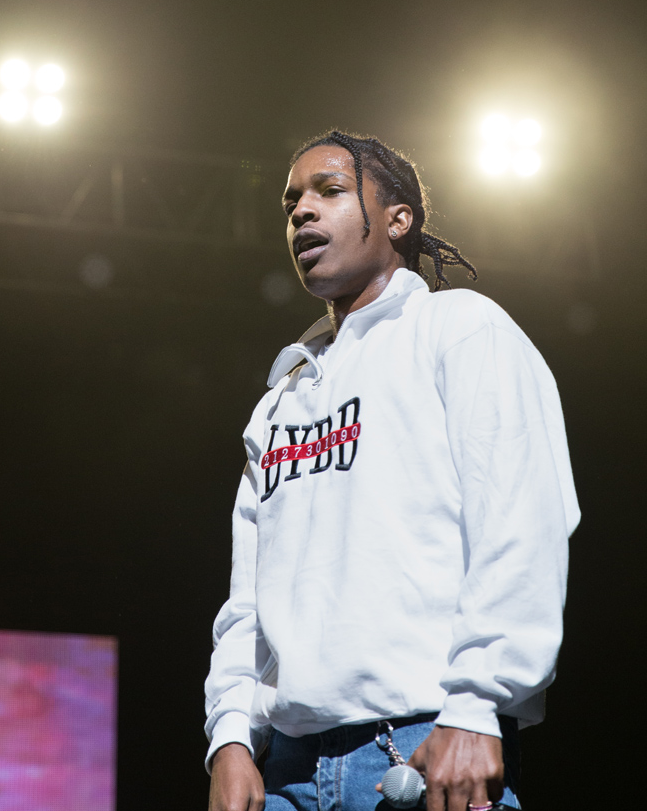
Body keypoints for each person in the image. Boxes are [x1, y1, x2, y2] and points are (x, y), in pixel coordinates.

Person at [204, 130, 580, 811]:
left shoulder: (460, 328)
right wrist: (231, 736)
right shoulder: (282, 399)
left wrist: (478, 705)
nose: (301, 212)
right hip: (286, 770)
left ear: (400, 218)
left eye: (329, 191)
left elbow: (520, 522)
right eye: (291, 201)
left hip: (420, 749)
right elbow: (246, 602)